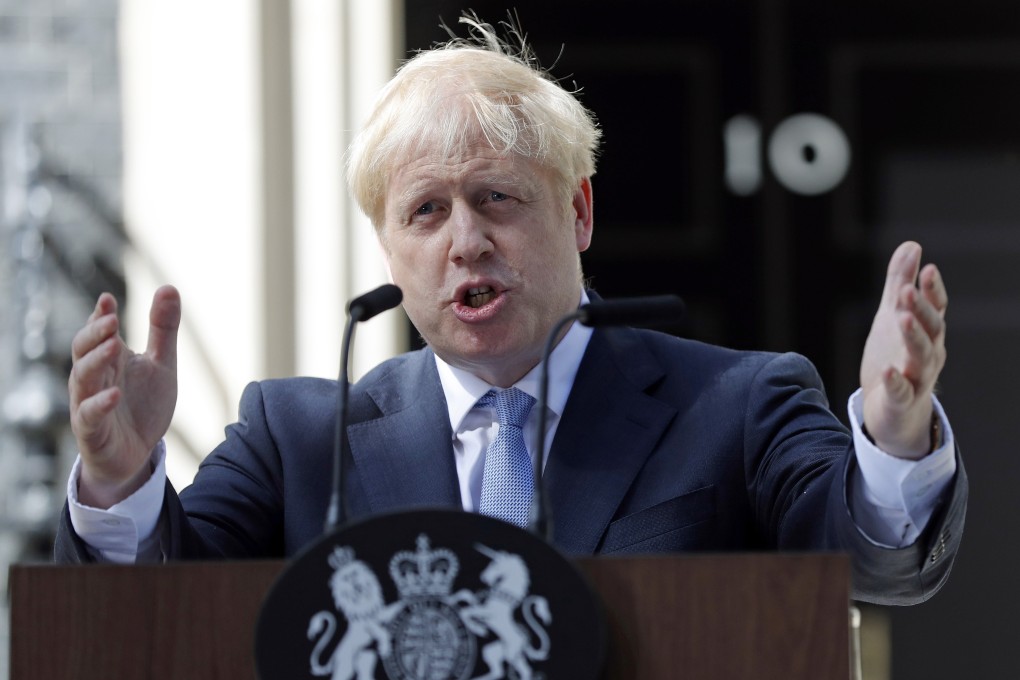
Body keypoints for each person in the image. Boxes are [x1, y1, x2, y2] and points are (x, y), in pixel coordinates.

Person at [56, 15, 965, 606]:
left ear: (578, 212)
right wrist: (120, 484)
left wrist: (890, 436)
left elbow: (871, 565)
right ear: (388, 251)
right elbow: (155, 620)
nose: (465, 243)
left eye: (496, 198)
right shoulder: (294, 437)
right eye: (425, 212)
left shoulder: (737, 404)